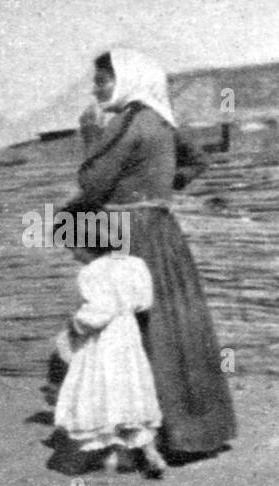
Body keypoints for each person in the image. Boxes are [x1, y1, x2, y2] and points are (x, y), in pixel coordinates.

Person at [66, 49, 235, 460]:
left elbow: (93, 186)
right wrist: (156, 190)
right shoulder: (160, 119)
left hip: (127, 234)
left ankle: (143, 432)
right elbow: (196, 162)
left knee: (129, 329)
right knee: (173, 324)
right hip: (162, 231)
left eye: (102, 80)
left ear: (126, 79)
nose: (95, 88)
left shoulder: (127, 123)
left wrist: (90, 140)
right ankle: (191, 429)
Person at [53, 223, 166, 478]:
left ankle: (104, 452)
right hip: (128, 335)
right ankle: (148, 452)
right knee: (130, 390)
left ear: (88, 246)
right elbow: (144, 302)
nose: (73, 255)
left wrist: (76, 322)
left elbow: (99, 312)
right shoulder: (134, 264)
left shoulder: (92, 272)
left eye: (73, 248)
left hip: (102, 341)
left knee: (101, 389)